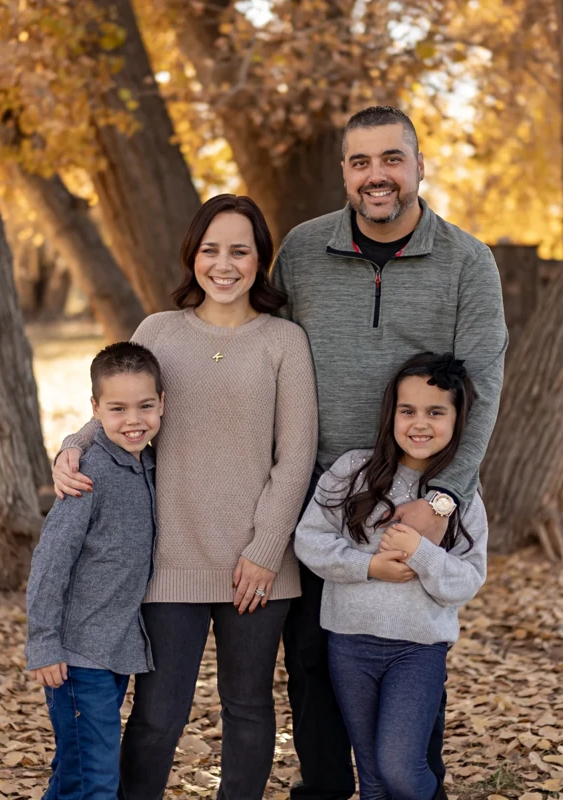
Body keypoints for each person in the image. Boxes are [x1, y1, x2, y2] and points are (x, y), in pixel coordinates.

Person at [274, 106, 507, 799]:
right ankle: (324, 790)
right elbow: (259, 355)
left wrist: (443, 498)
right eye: (360, 162)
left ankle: (411, 786)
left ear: (418, 165)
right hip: (323, 491)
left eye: (391, 159)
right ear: (345, 172)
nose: (377, 176)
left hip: (417, 492)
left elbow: (484, 384)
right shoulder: (302, 250)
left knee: (413, 658)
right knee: (313, 663)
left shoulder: (469, 261)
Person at [52, 194, 318, 800]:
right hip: (170, 559)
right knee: (157, 715)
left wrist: (267, 549)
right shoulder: (160, 331)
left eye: (240, 251)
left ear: (260, 260)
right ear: (192, 256)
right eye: (210, 250)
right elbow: (122, 407)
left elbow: (295, 456)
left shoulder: (284, 342)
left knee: (248, 708)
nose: (224, 265)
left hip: (258, 566)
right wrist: (72, 445)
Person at [294, 352, 488, 800]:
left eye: (436, 412)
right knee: (374, 779)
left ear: (458, 420)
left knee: (400, 767)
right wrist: (368, 566)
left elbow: (469, 577)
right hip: (349, 642)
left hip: (417, 650)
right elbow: (310, 540)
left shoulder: (460, 496)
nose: (420, 424)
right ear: (391, 414)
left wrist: (422, 553)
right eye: (408, 411)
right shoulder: (352, 472)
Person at [25, 341, 164, 800]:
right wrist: (44, 642)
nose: (134, 420)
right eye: (117, 408)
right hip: (76, 655)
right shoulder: (88, 472)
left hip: (111, 651)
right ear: (95, 409)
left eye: (146, 406)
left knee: (76, 772)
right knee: (95, 783)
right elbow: (50, 561)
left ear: (162, 403)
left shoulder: (148, 462)